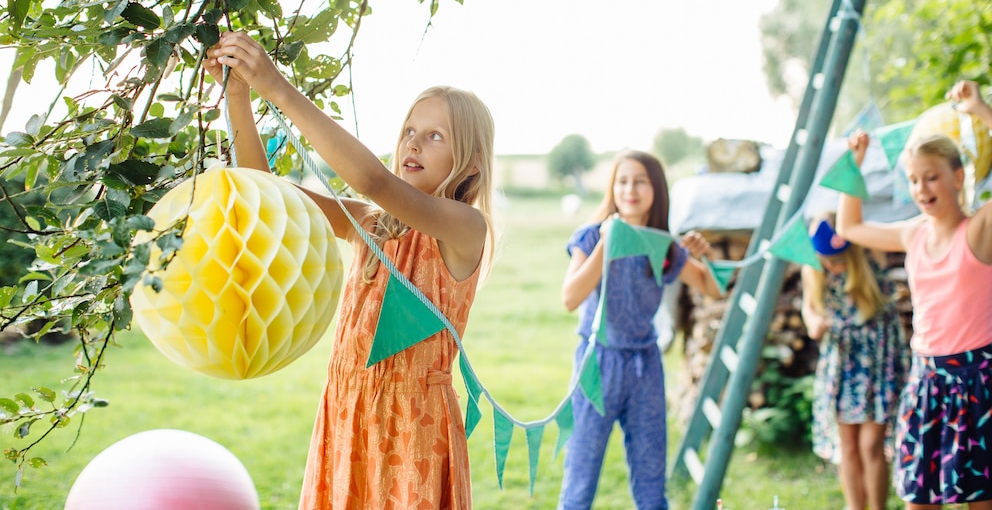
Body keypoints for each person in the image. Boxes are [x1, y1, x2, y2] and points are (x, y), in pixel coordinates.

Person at [204, 31, 495, 510]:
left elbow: (372, 178)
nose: (414, 143)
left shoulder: (464, 228)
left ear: (472, 165)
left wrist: (276, 86)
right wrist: (240, 95)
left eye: (435, 136)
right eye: (409, 131)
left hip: (411, 436)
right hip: (345, 417)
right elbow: (263, 194)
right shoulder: (369, 223)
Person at [836, 79, 992, 510]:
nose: (922, 189)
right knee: (918, 499)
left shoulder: (978, 231)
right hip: (926, 381)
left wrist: (980, 111)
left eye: (932, 178)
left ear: (957, 177)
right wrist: (855, 165)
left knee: (981, 500)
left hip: (978, 382)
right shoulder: (913, 233)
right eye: (913, 180)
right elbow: (849, 228)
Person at [557, 149, 722, 510]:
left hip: (645, 367)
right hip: (596, 367)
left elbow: (713, 288)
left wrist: (703, 255)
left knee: (651, 487)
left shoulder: (664, 246)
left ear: (656, 190)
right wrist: (606, 242)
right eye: (622, 181)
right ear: (612, 188)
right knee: (579, 483)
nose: (630, 189)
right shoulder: (589, 237)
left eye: (640, 181)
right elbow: (570, 298)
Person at [800, 211, 909, 510]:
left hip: (877, 361)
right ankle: (855, 506)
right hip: (842, 363)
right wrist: (814, 324)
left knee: (870, 444)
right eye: (827, 262)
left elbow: (853, 214)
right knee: (848, 446)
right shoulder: (813, 270)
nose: (834, 267)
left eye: (839, 261)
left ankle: (877, 507)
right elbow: (809, 309)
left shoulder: (869, 254)